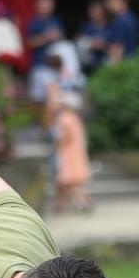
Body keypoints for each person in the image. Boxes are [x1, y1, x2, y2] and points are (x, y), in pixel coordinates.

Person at [42, 54, 92, 215]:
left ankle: (81, 199)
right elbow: (85, 100)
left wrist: (47, 124)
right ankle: (60, 206)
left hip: (62, 121)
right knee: (73, 160)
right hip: (76, 121)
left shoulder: (53, 81)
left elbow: (51, 104)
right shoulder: (74, 77)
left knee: (62, 164)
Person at [24, 0, 64, 77]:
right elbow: (28, 43)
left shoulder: (56, 21)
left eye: (49, 4)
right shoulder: (33, 23)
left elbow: (62, 40)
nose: (47, 6)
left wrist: (58, 36)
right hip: (39, 66)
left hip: (56, 67)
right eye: (44, 3)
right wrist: (45, 37)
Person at [103, 0, 139, 64]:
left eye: (109, 0)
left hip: (123, 64)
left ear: (119, 0)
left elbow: (118, 49)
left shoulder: (120, 21)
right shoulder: (132, 17)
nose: (107, 5)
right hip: (133, 61)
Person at [78, 0, 111, 75]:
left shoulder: (110, 27)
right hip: (88, 64)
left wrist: (103, 45)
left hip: (105, 63)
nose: (94, 14)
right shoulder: (86, 27)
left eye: (96, 11)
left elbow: (116, 47)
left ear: (103, 12)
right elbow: (79, 44)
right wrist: (90, 44)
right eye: (92, 11)